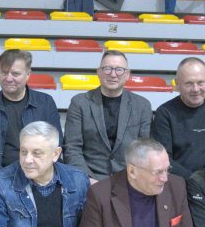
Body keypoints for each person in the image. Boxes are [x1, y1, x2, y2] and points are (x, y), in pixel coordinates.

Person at [64, 50, 152, 183]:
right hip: (90, 179)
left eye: (119, 70)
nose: (113, 74)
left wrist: (133, 180)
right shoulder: (80, 103)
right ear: (99, 72)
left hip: (130, 180)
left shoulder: (142, 105)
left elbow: (144, 150)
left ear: (127, 74)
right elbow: (72, 148)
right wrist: (87, 180)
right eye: (107, 69)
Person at [0, 49, 62, 176]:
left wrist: (38, 174)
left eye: (15, 74)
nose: (9, 78)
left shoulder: (46, 103)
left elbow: (55, 143)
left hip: (40, 174)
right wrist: (2, 178)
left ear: (28, 74)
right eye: (4, 73)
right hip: (0, 176)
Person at [151, 57, 205, 179]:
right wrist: (195, 181)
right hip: (180, 182)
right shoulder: (165, 113)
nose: (196, 89)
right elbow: (163, 158)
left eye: (200, 82)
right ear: (177, 84)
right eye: (189, 83)